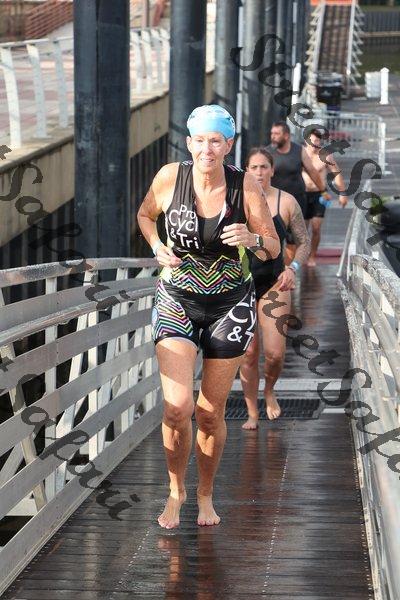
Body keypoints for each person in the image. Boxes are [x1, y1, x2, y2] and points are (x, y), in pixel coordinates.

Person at [137, 105, 280, 529]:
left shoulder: (244, 184)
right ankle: (175, 491)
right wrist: (156, 246)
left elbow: (272, 245)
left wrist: (252, 238)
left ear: (228, 145)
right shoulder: (170, 177)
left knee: (209, 413)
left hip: (229, 305)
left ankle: (204, 493)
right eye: (199, 140)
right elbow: (145, 215)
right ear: (189, 143)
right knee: (177, 407)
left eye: (215, 141)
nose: (207, 149)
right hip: (177, 299)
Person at [239, 147, 310, 429]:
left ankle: (269, 390)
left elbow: (303, 241)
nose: (259, 173)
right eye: (253, 167)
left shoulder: (286, 201)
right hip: (242, 283)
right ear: (246, 171)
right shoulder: (236, 201)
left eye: (263, 167)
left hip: (275, 281)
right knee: (248, 353)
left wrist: (293, 268)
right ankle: (251, 412)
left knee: (275, 353)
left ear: (272, 169)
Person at [267, 121, 324, 262]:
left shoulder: (299, 151)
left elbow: (312, 171)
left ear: (286, 136)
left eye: (277, 134)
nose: (273, 136)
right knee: (272, 236)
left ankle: (287, 270)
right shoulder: (267, 153)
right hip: (274, 202)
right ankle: (273, 269)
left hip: (296, 202)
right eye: (272, 133)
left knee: (292, 239)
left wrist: (323, 190)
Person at [302, 128, 349, 266]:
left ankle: (312, 256)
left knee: (316, 227)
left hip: (320, 194)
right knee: (302, 229)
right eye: (312, 141)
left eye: (317, 141)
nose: (314, 144)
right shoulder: (300, 154)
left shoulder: (325, 155)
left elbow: (337, 174)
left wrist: (342, 194)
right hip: (302, 194)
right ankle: (301, 255)